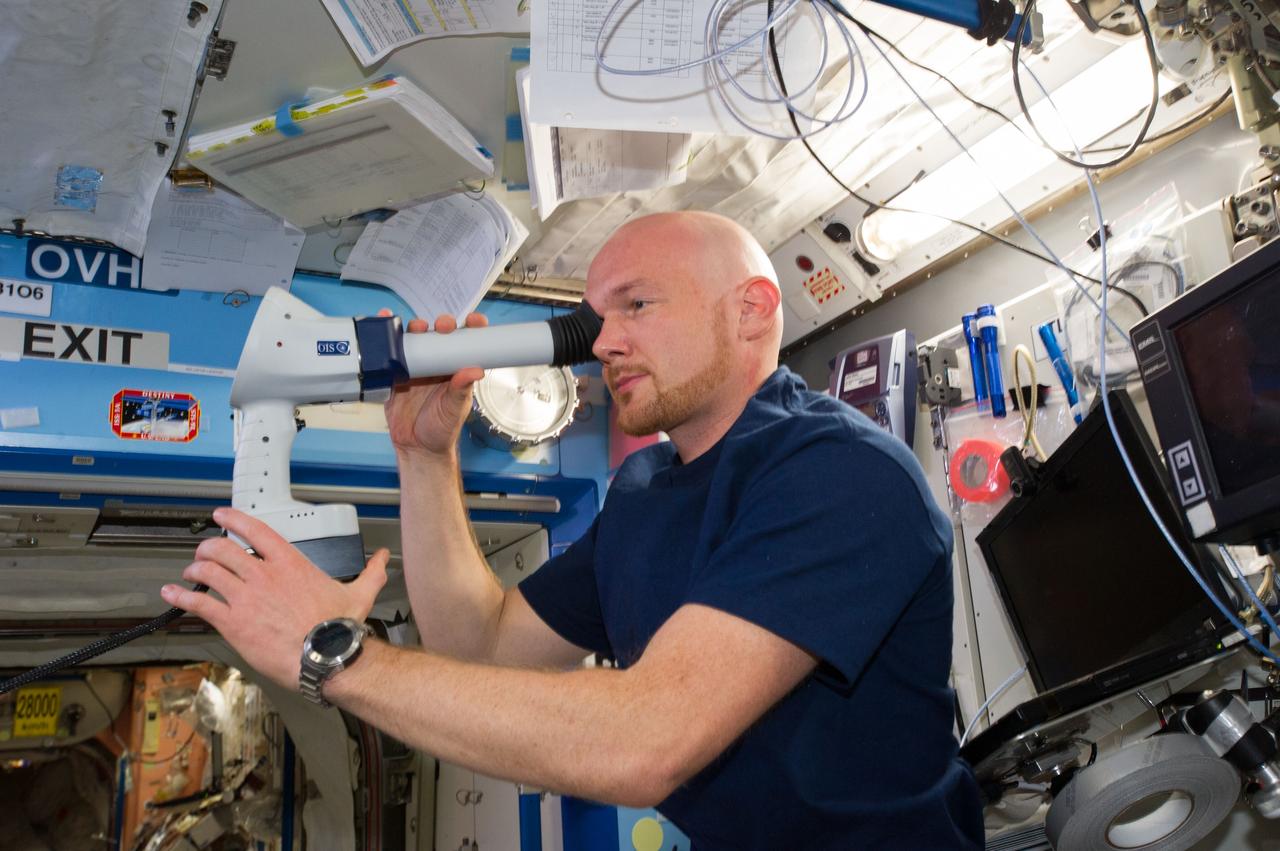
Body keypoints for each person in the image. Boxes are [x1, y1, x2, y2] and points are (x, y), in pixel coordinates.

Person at [162, 211, 983, 849]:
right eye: (595, 318)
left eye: (637, 304)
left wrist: (333, 655)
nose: (603, 343)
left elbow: (646, 739)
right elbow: (479, 645)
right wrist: (424, 455)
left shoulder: (840, 471)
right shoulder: (645, 489)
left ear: (751, 310)